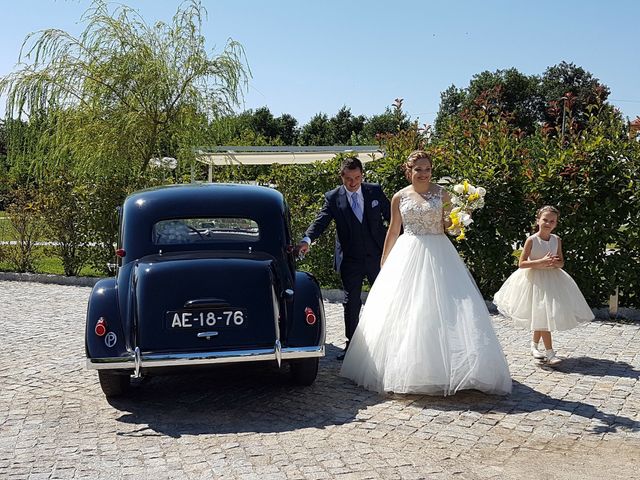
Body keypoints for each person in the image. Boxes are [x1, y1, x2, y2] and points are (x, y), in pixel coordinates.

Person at [340, 151, 512, 395]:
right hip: (407, 252)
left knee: (445, 310)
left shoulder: (443, 194)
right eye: (418, 169)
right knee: (410, 311)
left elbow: (449, 227)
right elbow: (393, 230)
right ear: (408, 170)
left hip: (440, 252)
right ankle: (411, 369)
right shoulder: (399, 197)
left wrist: (461, 218)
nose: (423, 173)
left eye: (427, 169)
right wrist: (385, 258)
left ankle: (448, 369)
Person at [297, 156, 391, 360]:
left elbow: (392, 216)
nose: (353, 182)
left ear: (362, 175)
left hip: (378, 256)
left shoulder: (374, 190)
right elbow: (320, 222)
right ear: (342, 176)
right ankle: (352, 347)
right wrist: (307, 239)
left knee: (385, 299)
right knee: (351, 302)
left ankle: (386, 344)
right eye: (349, 178)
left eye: (357, 178)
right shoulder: (333, 198)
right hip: (351, 258)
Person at [493, 206, 594, 366]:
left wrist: (555, 262)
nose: (548, 223)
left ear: (556, 223)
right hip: (534, 281)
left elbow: (561, 262)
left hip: (552, 280)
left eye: (552, 221)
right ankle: (550, 353)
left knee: (542, 314)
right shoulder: (532, 240)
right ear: (538, 220)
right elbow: (522, 263)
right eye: (545, 220)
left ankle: (534, 346)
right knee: (544, 315)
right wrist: (540, 262)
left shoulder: (557, 240)